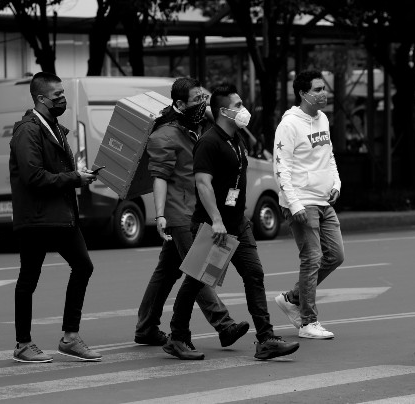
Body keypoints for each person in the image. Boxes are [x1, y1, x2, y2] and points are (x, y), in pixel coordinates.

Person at [164, 83, 300, 360]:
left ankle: (266, 339)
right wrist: (216, 220)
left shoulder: (236, 138)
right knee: (195, 282)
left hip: (238, 224)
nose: (243, 109)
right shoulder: (209, 142)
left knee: (254, 275)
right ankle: (177, 338)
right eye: (238, 105)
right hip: (216, 228)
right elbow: (202, 183)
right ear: (223, 111)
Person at [134, 77, 249, 348]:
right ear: (179, 104)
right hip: (179, 213)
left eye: (204, 100)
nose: (202, 105)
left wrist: (210, 110)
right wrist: (160, 215)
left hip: (194, 209)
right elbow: (159, 177)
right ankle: (224, 324)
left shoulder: (196, 127)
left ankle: (146, 327)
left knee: (166, 272)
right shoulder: (164, 135)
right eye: (197, 100)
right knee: (199, 270)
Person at [9, 72, 102, 363]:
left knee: (83, 266)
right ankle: (23, 344)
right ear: (40, 99)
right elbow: (33, 175)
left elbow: (56, 170)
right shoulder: (28, 130)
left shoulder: (55, 128)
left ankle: (70, 338)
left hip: (60, 215)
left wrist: (78, 175)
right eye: (57, 95)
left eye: (63, 93)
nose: (63, 99)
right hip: (37, 218)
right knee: (28, 280)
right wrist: (74, 178)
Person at [272, 70, 345, 339]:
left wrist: (336, 184)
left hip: (324, 200)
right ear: (303, 94)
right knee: (312, 259)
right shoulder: (289, 125)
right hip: (302, 203)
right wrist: (294, 204)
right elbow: (281, 168)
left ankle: (291, 298)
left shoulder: (323, 118)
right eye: (316, 89)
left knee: (335, 256)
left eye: (324, 88)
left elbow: (329, 156)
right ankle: (307, 322)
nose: (323, 93)